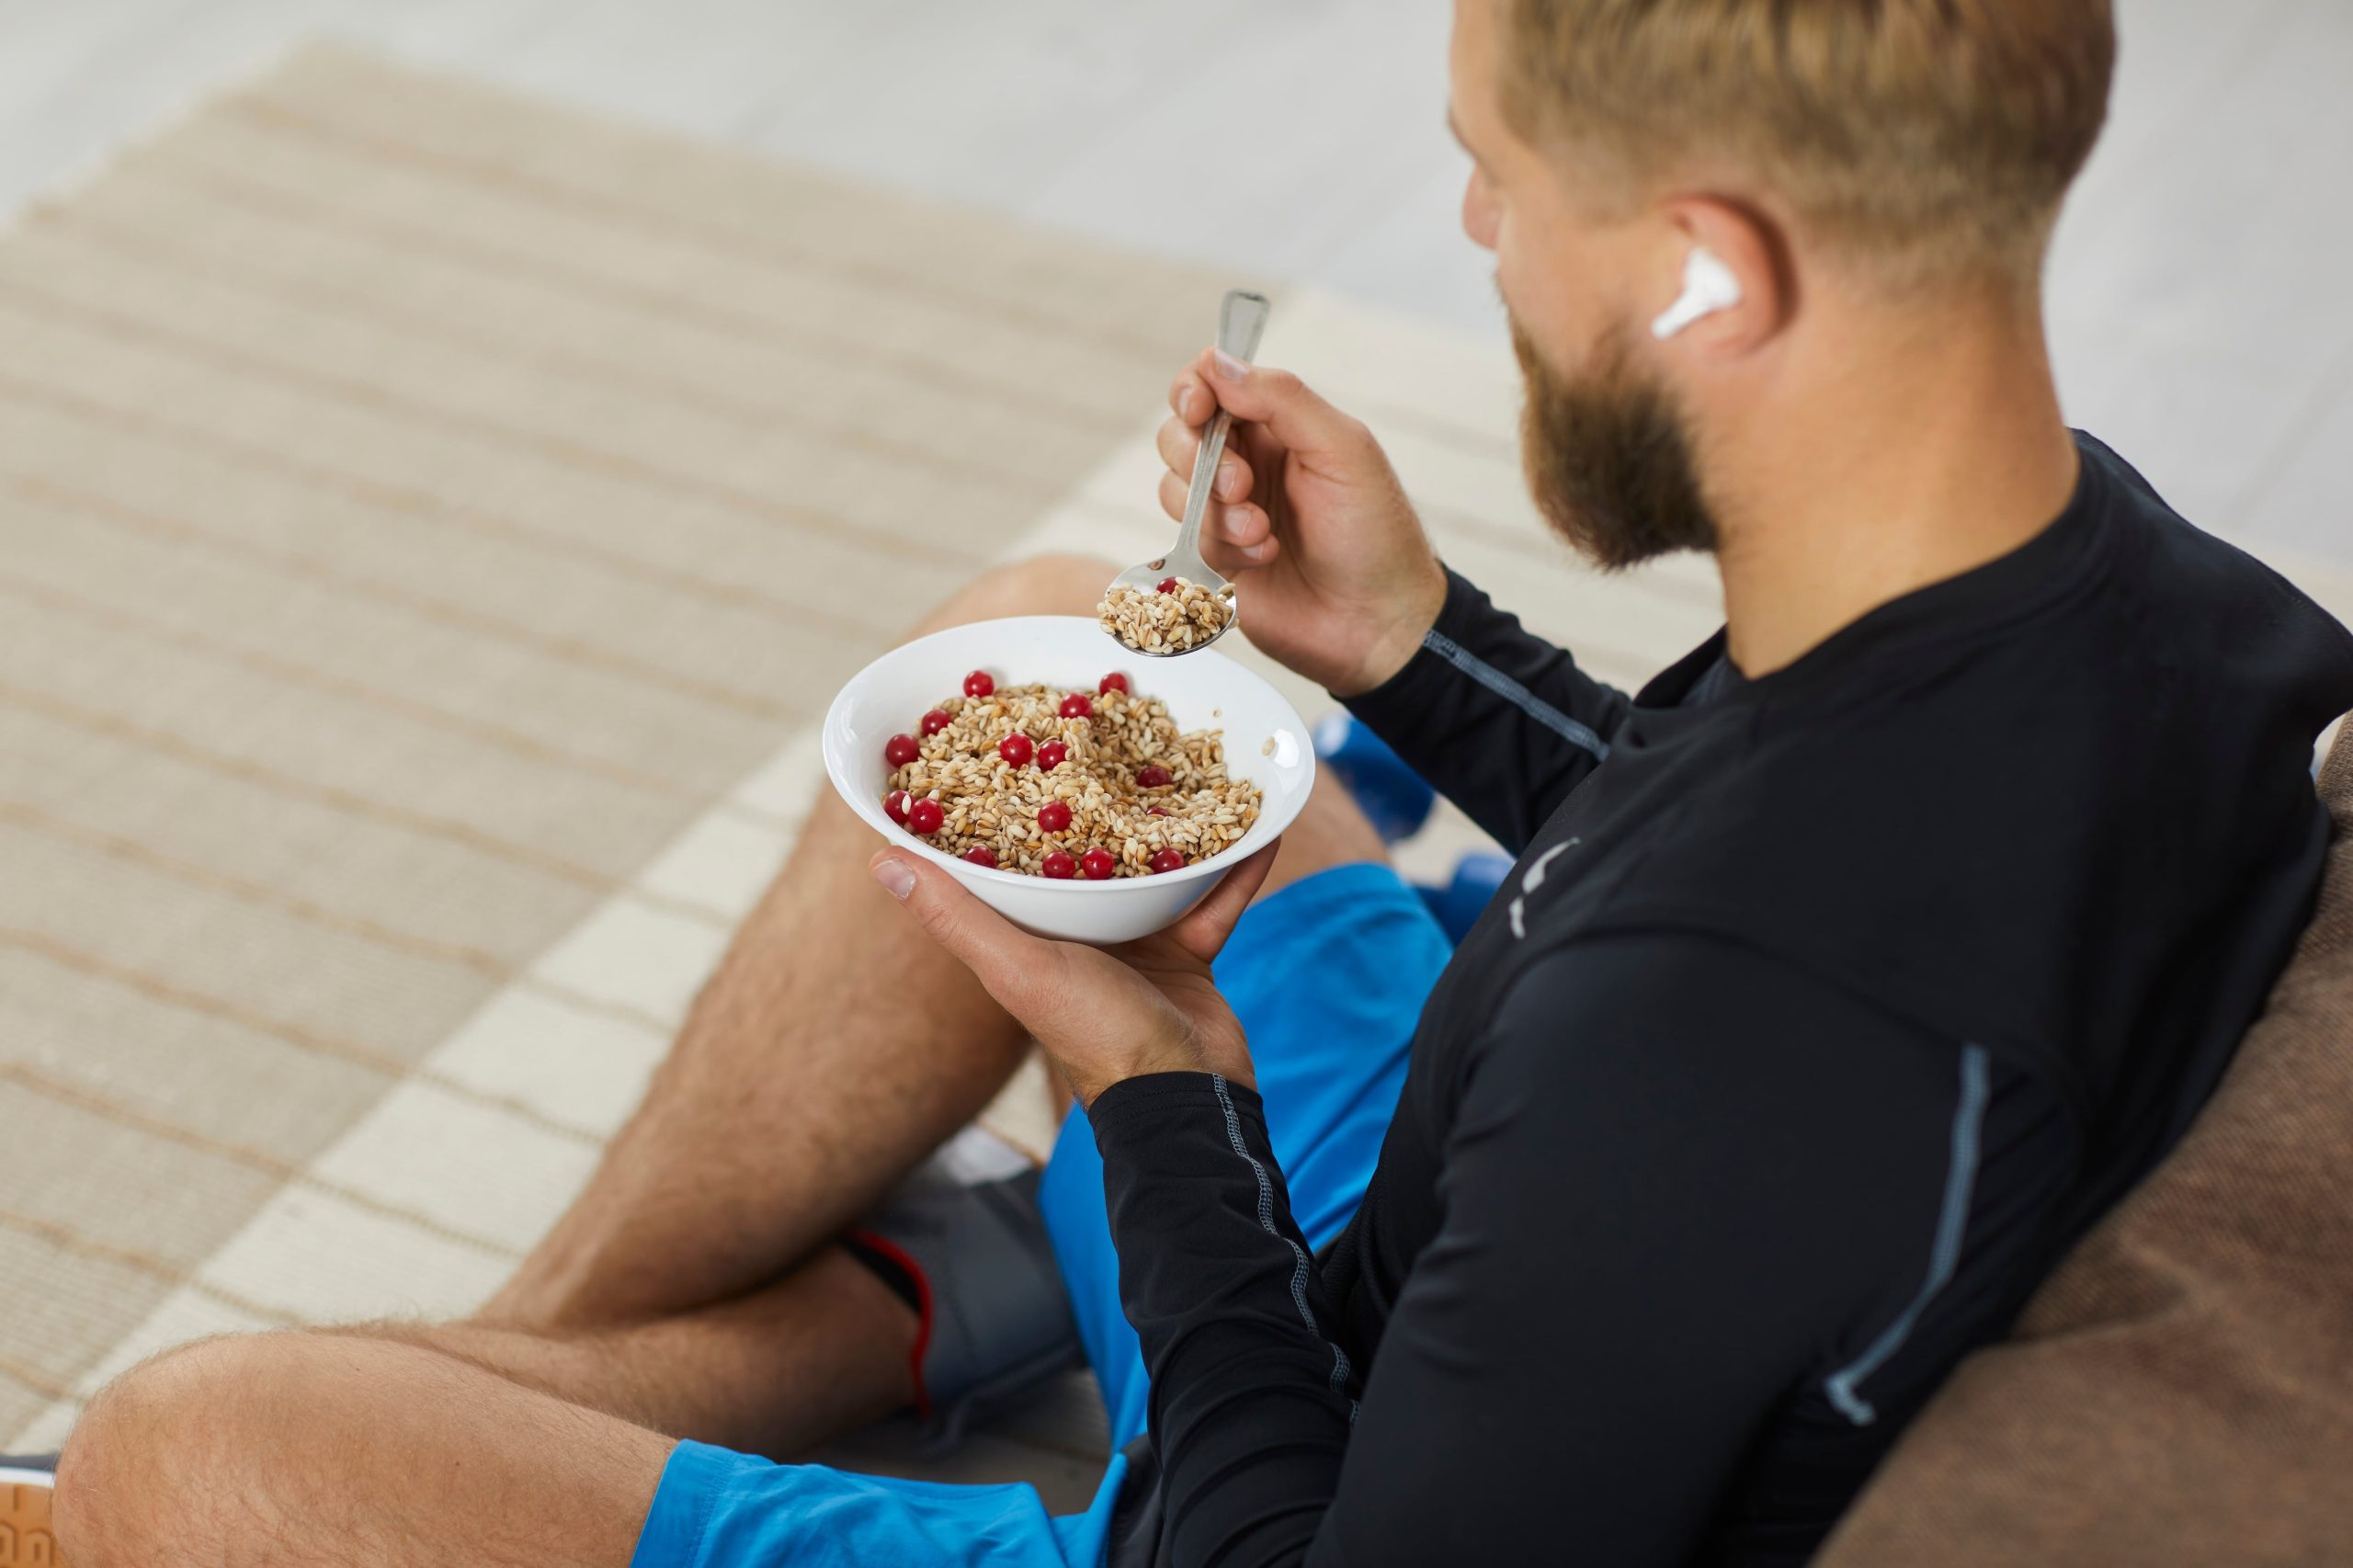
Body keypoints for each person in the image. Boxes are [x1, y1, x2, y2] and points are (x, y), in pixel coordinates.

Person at [44, 0, 2353, 1564]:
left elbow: (1285, 1522)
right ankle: (713, 1334)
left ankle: (859, 1318)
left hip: (1273, 1461)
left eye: (1496, 174)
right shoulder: (2143, 596)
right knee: (1047, 626)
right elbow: (1715, 828)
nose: (1478, 236)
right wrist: (1417, 645)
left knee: (191, 1451)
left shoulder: (1720, 1042)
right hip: (1470, 1232)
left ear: (1699, 271)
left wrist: (1150, 1100)